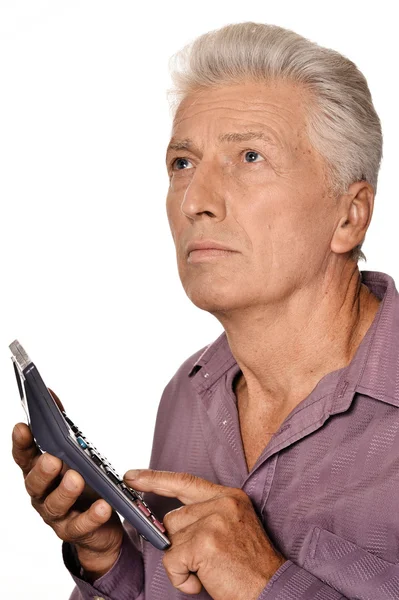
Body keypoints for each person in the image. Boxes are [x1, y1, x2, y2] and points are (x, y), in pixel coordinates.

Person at [11, 21, 399, 600]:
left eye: (249, 156)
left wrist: (269, 584)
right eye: (182, 164)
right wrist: (110, 564)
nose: (196, 202)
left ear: (350, 216)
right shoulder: (187, 396)